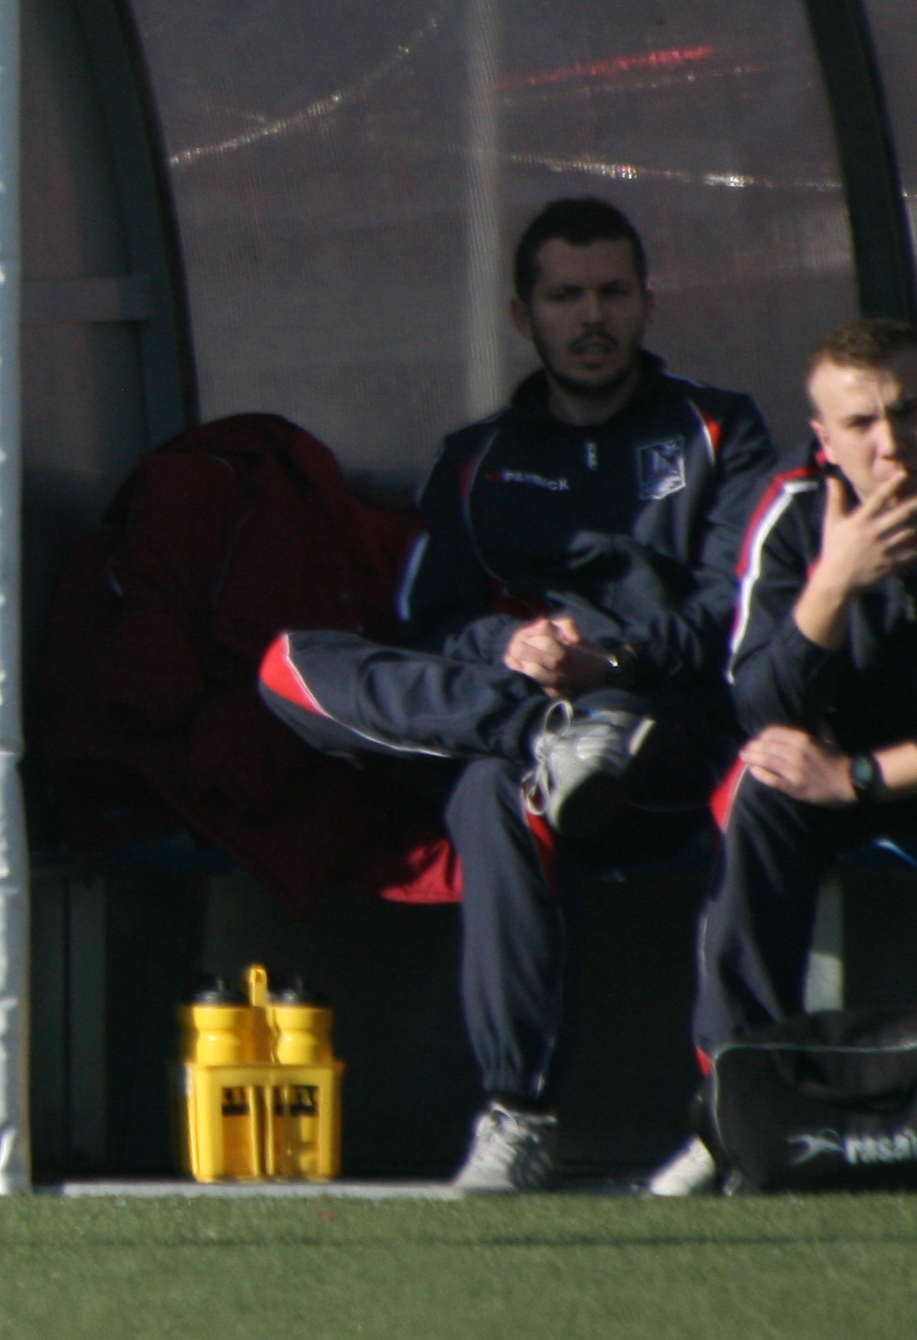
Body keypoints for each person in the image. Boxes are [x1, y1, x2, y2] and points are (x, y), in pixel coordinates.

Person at [255, 198, 776, 1193]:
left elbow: (740, 606)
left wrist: (611, 662)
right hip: (525, 713)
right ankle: (543, 732)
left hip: (664, 731)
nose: (592, 317)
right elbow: (431, 625)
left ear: (648, 302)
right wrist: (515, 649)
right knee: (292, 665)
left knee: (494, 789)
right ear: (522, 316)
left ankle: (519, 1111)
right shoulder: (479, 456)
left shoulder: (717, 429)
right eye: (566, 296)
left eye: (613, 293)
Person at [680, 320, 917, 1195]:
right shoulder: (795, 507)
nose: (890, 443)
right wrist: (834, 584)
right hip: (836, 769)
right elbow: (759, 707)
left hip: (874, 772)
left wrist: (858, 779)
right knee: (760, 788)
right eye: (861, 423)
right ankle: (739, 1107)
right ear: (824, 439)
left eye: (909, 411)